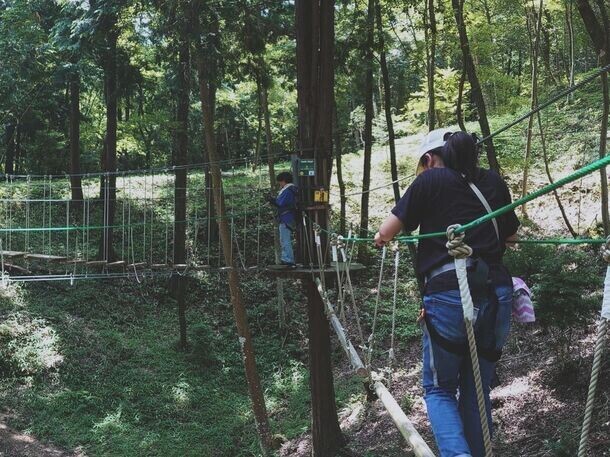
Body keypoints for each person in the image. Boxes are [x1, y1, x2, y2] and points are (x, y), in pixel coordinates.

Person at [374, 130, 519, 457]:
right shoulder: (494, 182)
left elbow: (386, 232)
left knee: (439, 389)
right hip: (496, 293)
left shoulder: (431, 180)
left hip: (449, 294)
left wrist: (380, 239)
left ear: (429, 160)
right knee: (476, 391)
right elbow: (511, 237)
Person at [267, 171, 298, 267]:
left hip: (286, 217)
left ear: (284, 181)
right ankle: (287, 258)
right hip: (286, 217)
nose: (280, 184)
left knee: (285, 239)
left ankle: (288, 259)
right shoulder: (291, 189)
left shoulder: (288, 190)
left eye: (280, 182)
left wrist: (272, 200)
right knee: (284, 239)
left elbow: (280, 203)